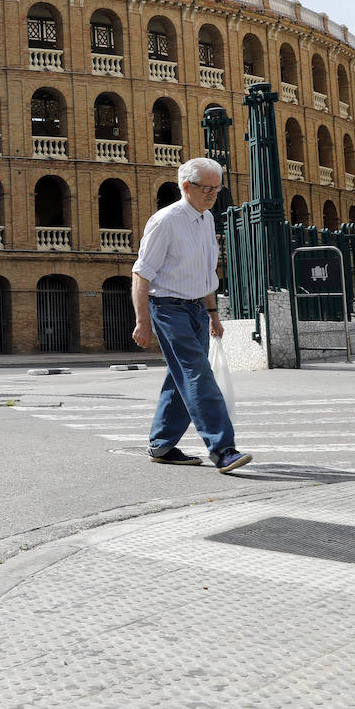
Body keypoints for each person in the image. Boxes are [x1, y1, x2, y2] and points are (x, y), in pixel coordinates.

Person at [132, 156, 252, 473]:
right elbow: (141, 275)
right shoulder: (165, 222)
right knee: (198, 374)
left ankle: (161, 445)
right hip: (168, 308)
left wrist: (212, 314)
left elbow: (204, 273)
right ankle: (223, 449)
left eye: (217, 188)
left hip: (197, 308)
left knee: (179, 377)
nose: (213, 194)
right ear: (186, 186)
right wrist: (142, 321)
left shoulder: (206, 218)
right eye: (207, 188)